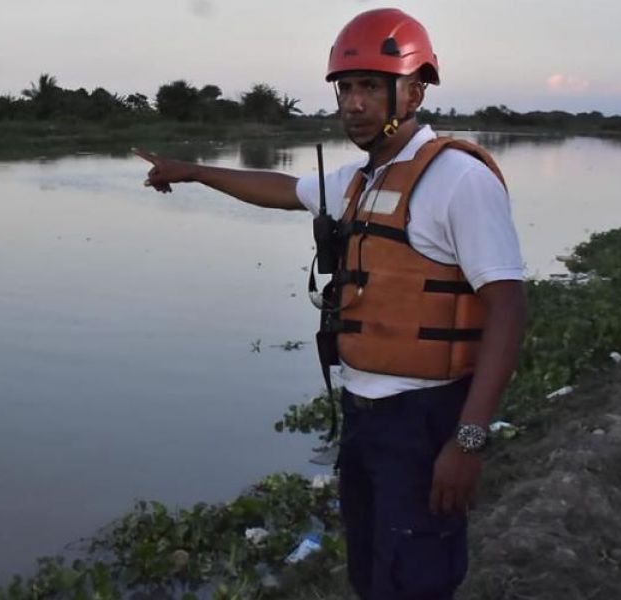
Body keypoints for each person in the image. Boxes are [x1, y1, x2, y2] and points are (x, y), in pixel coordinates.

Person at [134, 8, 527, 600]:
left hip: (424, 419)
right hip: (362, 415)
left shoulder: (458, 180)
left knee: (418, 580)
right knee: (371, 575)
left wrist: (468, 439)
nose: (353, 103)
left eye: (371, 85)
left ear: (415, 89)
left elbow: (507, 309)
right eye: (346, 87)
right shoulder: (359, 180)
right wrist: (190, 172)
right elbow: (279, 189)